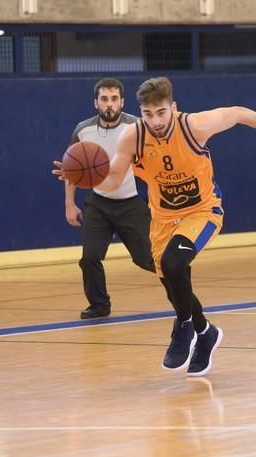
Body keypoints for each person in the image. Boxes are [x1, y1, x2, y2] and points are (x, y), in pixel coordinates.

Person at [55, 76, 256, 376]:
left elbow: (238, 112)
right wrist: (82, 175)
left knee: (174, 264)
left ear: (173, 108)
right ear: (140, 112)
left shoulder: (195, 126)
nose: (156, 120)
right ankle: (206, 333)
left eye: (161, 112)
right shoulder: (132, 137)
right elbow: (112, 179)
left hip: (202, 212)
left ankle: (183, 326)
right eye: (148, 114)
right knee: (171, 282)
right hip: (162, 219)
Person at [63, 78, 155, 320]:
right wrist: (69, 204)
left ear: (122, 102)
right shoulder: (83, 130)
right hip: (99, 203)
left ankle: (179, 294)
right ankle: (99, 305)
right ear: (96, 103)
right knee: (89, 258)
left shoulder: (137, 126)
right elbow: (71, 170)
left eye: (114, 99)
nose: (109, 104)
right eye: (104, 99)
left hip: (130, 203)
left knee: (148, 259)